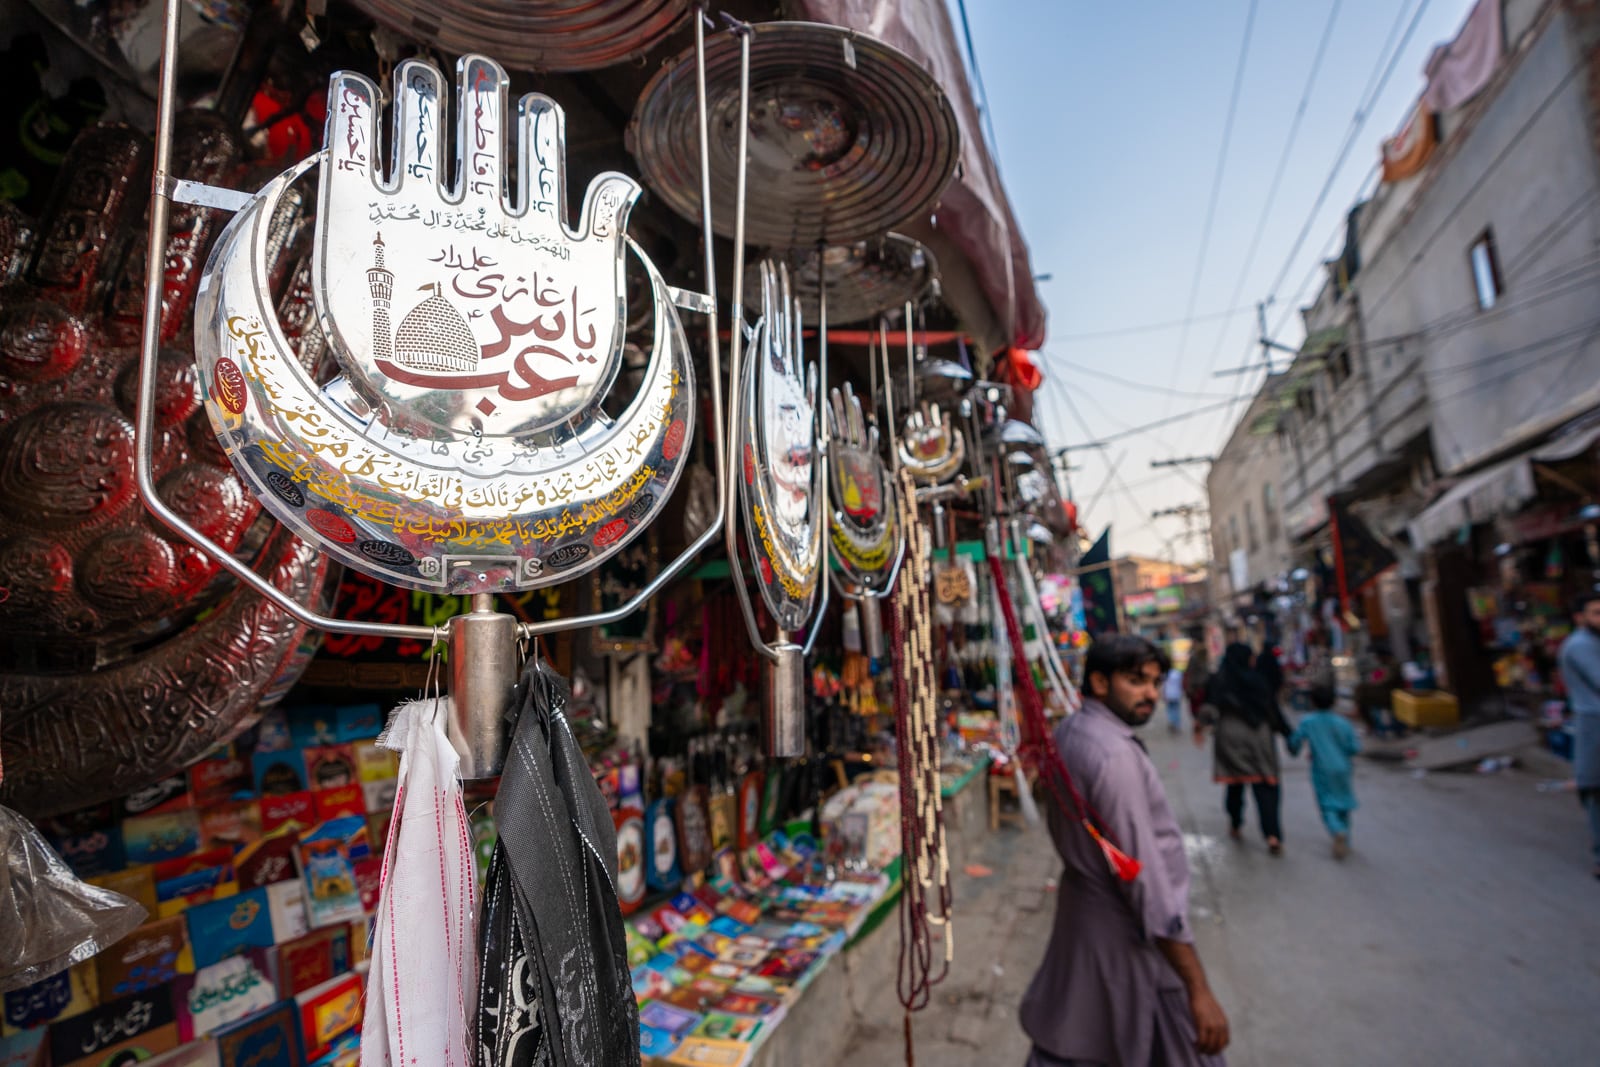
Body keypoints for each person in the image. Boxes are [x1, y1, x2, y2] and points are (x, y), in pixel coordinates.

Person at [1020, 635, 1229, 1067]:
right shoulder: (1112, 755)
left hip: (1091, 919)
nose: (1151, 694)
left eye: (1155, 682)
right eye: (1136, 681)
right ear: (1099, 682)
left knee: (1084, 1035)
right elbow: (1141, 878)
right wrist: (1198, 987)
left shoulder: (1074, 731)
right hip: (1124, 930)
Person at [1199, 643, 1287, 854]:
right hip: (1260, 738)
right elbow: (1273, 709)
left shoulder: (1219, 679)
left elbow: (1208, 709)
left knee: (1235, 784)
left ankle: (1236, 824)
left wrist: (1201, 725)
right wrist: (1287, 732)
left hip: (1230, 736)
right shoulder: (1258, 679)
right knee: (1265, 784)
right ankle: (1272, 835)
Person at [1287, 684, 1361, 859]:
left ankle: (1337, 831)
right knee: (1343, 802)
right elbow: (1354, 747)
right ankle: (1346, 839)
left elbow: (1295, 742)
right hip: (1344, 768)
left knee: (1327, 804)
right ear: (1334, 701)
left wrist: (1293, 747)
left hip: (1322, 768)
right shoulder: (1343, 722)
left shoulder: (1308, 721)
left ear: (1312, 701)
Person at [1557, 591, 1600, 879]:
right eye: (1596, 612)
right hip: (1595, 725)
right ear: (1579, 618)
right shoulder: (1581, 645)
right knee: (1596, 790)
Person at [1163, 664, 1186, 735]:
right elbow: (1182, 684)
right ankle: (1176, 724)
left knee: (1170, 709)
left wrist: (1164, 694)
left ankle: (1172, 722)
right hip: (1176, 694)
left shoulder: (1167, 674)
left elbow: (1165, 684)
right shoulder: (1179, 673)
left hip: (1169, 694)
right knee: (1176, 710)